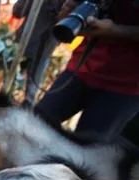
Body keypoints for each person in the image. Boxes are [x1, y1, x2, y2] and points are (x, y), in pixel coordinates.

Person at [35, 0, 139, 139]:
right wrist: (69, 13)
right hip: (82, 68)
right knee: (34, 124)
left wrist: (115, 30)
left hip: (125, 86)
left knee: (84, 150)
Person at [13, 0, 63, 106]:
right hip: (24, 45)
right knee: (15, 89)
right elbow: (17, 12)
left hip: (41, 49)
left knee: (29, 96)